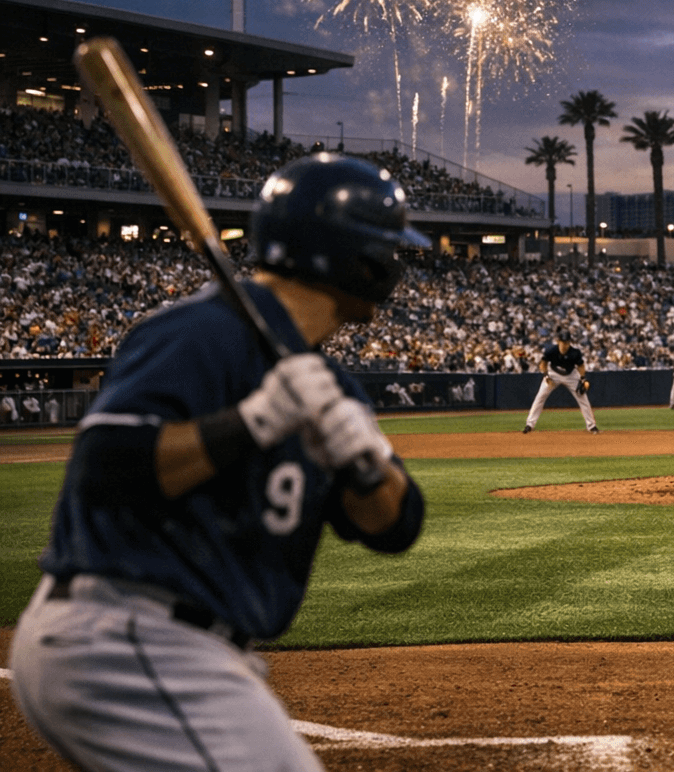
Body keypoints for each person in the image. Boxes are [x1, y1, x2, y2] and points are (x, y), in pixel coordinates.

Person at [7, 153, 429, 772]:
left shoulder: (324, 381)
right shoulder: (199, 333)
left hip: (186, 647)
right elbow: (107, 473)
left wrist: (366, 461)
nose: (397, 264)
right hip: (124, 635)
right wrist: (254, 422)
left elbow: (397, 527)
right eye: (390, 248)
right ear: (354, 258)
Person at [523, 329, 598, 434]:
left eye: (567, 342)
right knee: (540, 397)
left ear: (569, 342)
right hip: (553, 374)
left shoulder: (575, 353)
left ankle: (591, 426)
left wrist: (583, 379)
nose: (565, 344)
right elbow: (543, 363)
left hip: (571, 375)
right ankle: (529, 424)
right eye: (563, 342)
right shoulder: (551, 351)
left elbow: (581, 366)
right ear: (558, 341)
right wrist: (546, 376)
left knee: (583, 399)